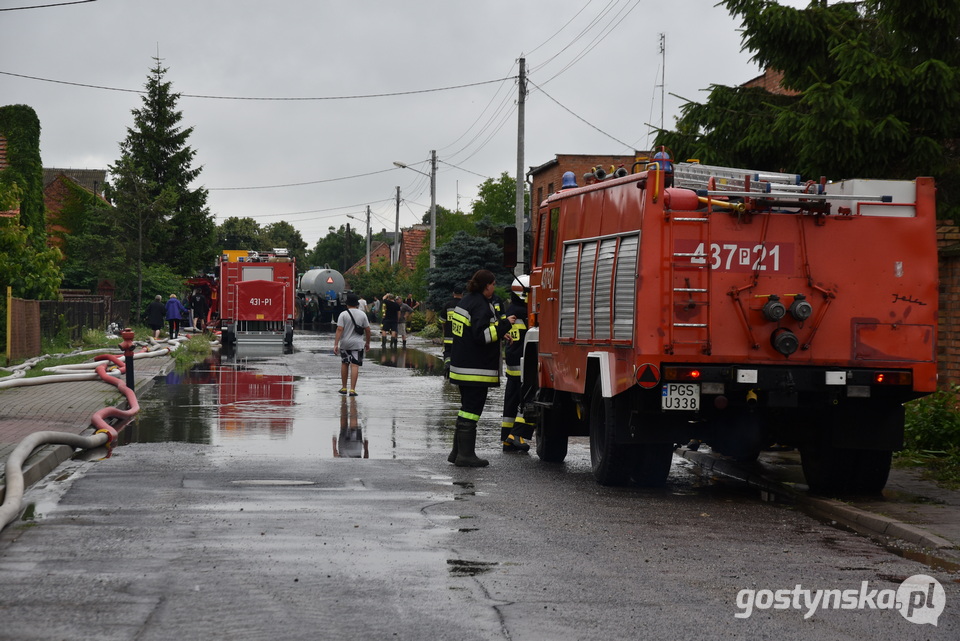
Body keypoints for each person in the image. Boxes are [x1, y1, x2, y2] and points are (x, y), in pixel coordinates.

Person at [447, 269, 515, 467]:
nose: (494, 287)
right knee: (472, 411)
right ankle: (465, 456)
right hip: (475, 370)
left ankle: (457, 452)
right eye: (493, 284)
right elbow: (482, 336)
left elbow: (472, 331)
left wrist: (499, 333)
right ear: (487, 285)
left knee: (466, 409)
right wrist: (504, 326)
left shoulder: (466, 301)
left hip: (462, 366)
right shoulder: (480, 305)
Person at [501, 275, 532, 452]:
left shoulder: (511, 309)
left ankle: (507, 437)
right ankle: (517, 435)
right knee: (526, 397)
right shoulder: (524, 312)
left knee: (511, 398)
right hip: (522, 361)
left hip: (512, 360)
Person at [333, 293, 371, 396]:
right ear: (357, 304)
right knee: (355, 366)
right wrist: (367, 343)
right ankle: (352, 389)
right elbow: (367, 330)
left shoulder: (343, 314)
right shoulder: (362, 314)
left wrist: (336, 344)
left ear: (347, 304)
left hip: (345, 343)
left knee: (345, 363)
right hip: (357, 344)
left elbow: (339, 329)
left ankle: (344, 387)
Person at [440, 286, 463, 376]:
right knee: (459, 353)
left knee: (448, 352)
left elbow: (442, 321)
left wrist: (444, 331)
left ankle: (447, 364)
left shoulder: (448, 305)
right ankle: (457, 371)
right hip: (461, 337)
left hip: (448, 336)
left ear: (453, 294)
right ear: (462, 294)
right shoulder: (464, 305)